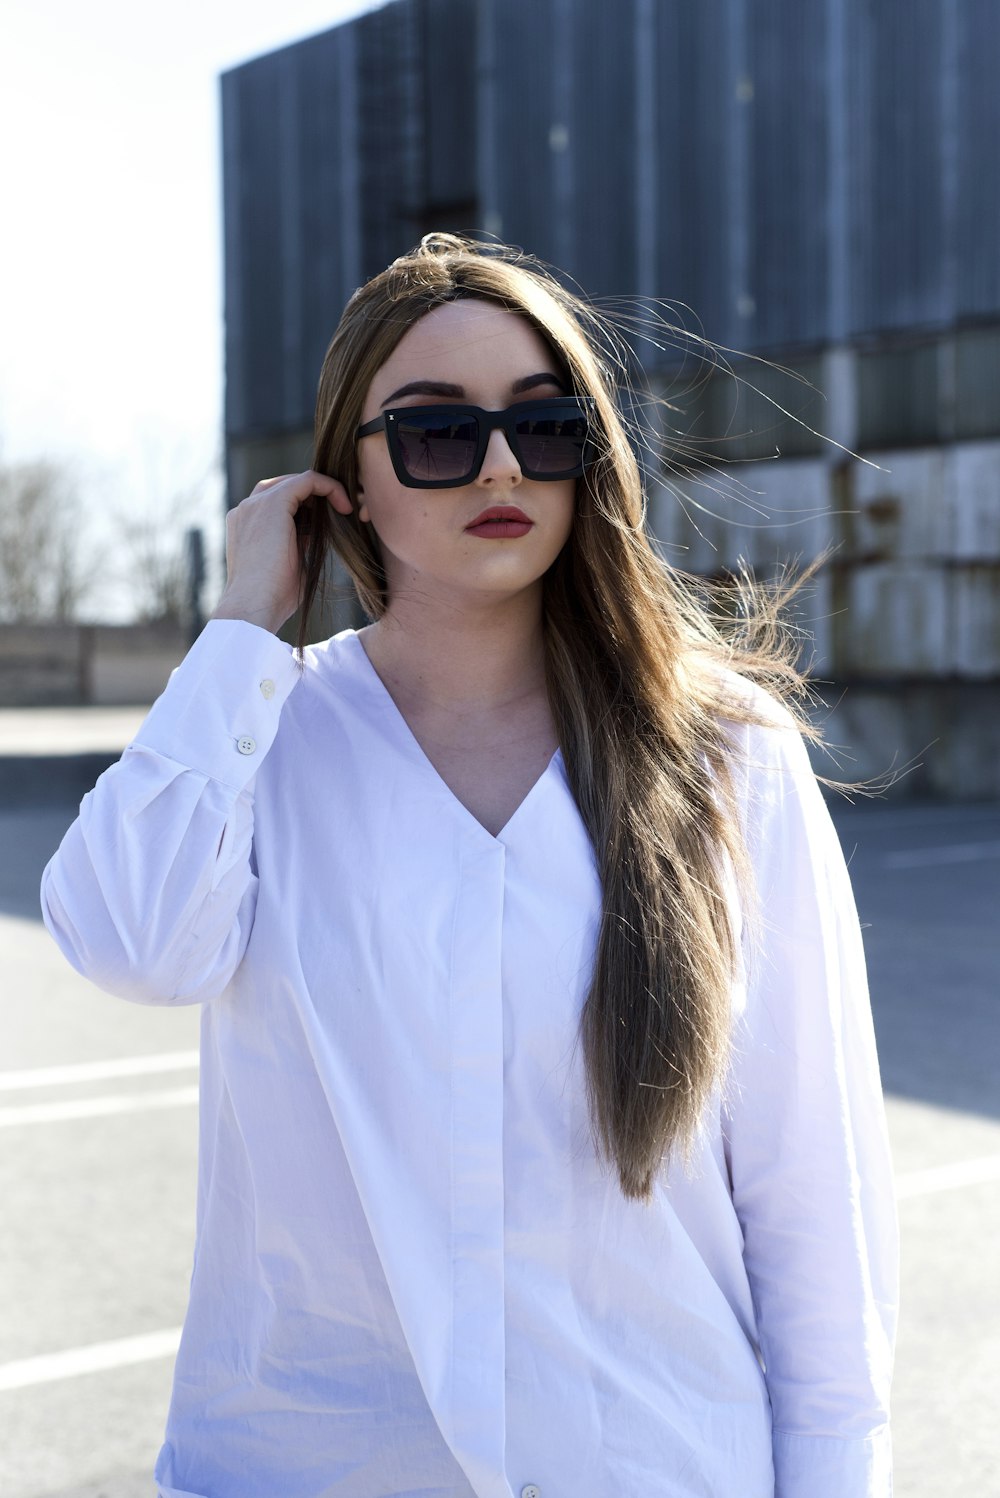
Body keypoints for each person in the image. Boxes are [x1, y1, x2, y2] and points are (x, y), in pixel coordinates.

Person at [41, 233, 898, 1498]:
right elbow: (125, 938)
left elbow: (813, 1207)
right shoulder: (261, 739)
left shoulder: (724, 757)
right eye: (435, 434)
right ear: (347, 481)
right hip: (309, 1468)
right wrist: (237, 627)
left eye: (542, 425)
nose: (499, 463)